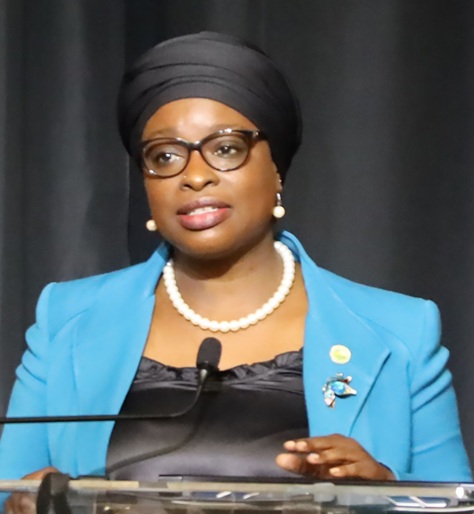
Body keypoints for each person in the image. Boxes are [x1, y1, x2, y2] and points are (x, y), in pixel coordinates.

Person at [0, 32, 471, 491]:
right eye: (165, 156)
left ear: (276, 168)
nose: (195, 176)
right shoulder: (68, 319)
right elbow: (11, 489)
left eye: (225, 149)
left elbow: (453, 501)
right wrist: (24, 501)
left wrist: (386, 491)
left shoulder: (399, 331)